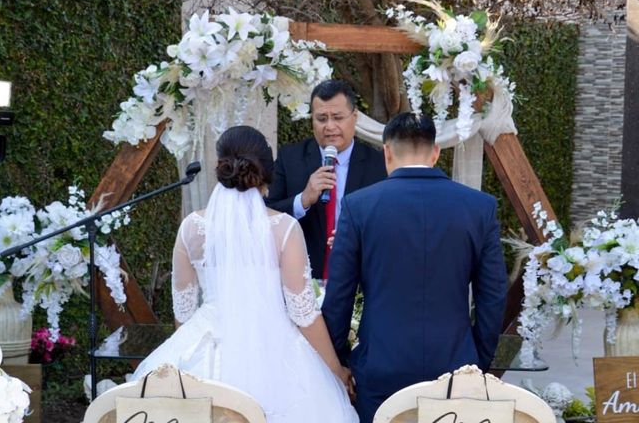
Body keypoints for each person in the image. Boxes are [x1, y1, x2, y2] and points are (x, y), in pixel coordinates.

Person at [132, 126, 358, 423]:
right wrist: (336, 370)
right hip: (276, 351)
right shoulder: (284, 229)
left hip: (203, 344)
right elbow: (304, 313)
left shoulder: (191, 228)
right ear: (266, 170)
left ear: (220, 166)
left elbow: (183, 313)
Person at [322, 112, 508, 423]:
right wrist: (476, 361)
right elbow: (494, 295)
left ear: (387, 152)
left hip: (380, 365)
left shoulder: (359, 206)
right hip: (456, 366)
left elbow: (339, 295)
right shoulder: (479, 207)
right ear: (435, 152)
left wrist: (340, 361)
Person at [266, 79, 386, 280]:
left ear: (354, 117)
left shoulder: (378, 164)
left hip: (361, 277)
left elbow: (388, 222)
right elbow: (266, 215)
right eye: (321, 118)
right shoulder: (290, 158)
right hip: (301, 277)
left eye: (338, 117)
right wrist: (302, 200)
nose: (330, 126)